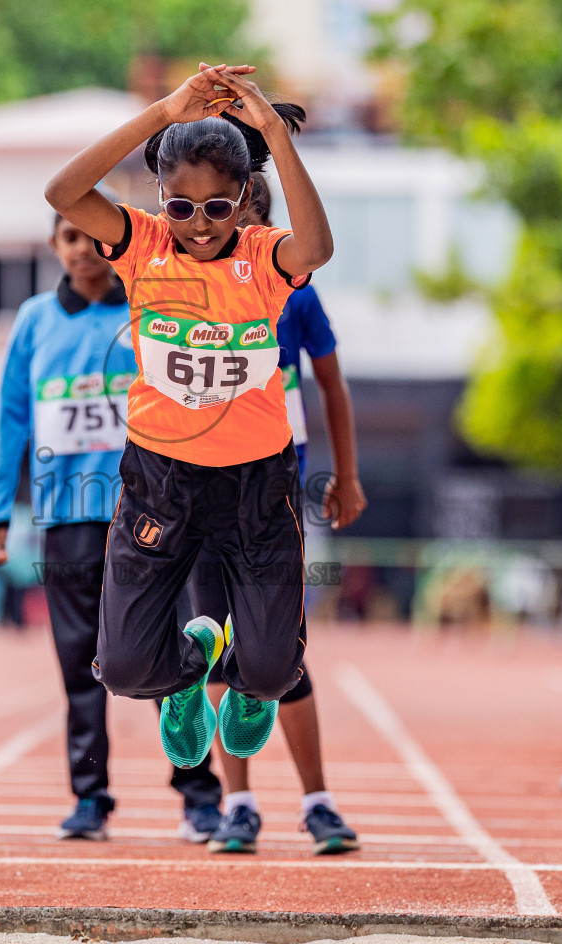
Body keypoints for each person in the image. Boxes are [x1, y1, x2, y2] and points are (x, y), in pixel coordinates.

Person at [45, 63, 334, 770]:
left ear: (243, 201)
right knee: (121, 669)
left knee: (273, 673)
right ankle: (189, 674)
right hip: (160, 477)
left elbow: (317, 248)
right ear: (162, 201)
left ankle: (244, 684)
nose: (199, 225)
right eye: (182, 207)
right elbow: (62, 193)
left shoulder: (267, 259)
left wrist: (271, 129)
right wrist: (163, 113)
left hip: (255, 484)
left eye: (217, 208)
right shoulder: (140, 246)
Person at [0, 211, 224, 842]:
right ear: (54, 245)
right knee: (78, 662)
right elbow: (10, 417)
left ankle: (198, 794)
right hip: (64, 516)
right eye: (69, 238)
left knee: (165, 649)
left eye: (94, 237)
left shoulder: (146, 307)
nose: (84, 249)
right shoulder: (33, 321)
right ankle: (90, 798)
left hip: (147, 514)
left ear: (114, 244)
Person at [186, 172, 361, 855]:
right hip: (197, 487)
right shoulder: (182, 287)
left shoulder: (294, 293)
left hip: (274, 489)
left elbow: (332, 384)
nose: (241, 228)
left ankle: (317, 800)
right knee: (217, 644)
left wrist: (345, 475)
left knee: (278, 651)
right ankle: (237, 803)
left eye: (256, 213)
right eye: (229, 214)